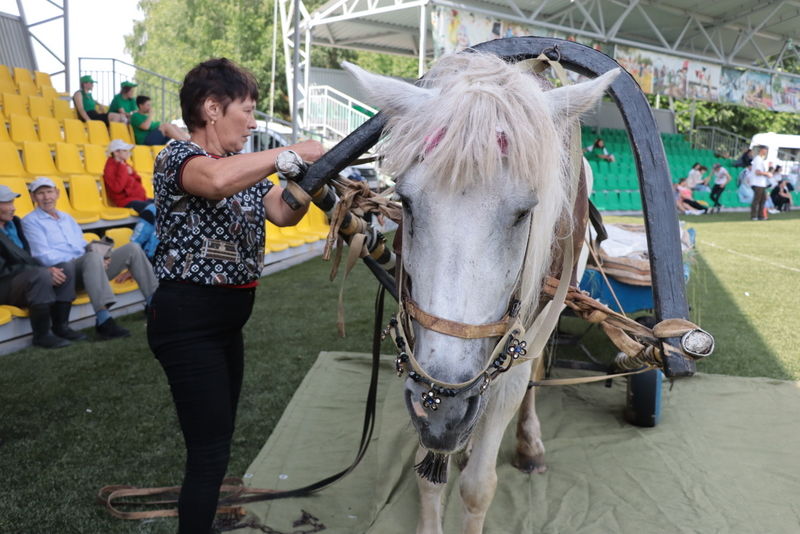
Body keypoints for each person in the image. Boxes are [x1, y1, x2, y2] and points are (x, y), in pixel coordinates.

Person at [146, 57, 324, 534]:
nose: (251, 121)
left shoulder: (239, 168)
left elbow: (282, 212)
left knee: (217, 443)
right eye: (245, 110)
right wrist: (289, 151)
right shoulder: (178, 157)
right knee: (207, 454)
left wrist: (316, 172)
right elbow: (217, 182)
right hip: (188, 323)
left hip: (225, 326)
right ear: (210, 109)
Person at [21, 177, 158, 339]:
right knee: (92, 257)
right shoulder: (30, 221)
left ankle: (154, 306)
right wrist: (91, 257)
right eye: (40, 193)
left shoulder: (67, 218)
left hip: (90, 267)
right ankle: (104, 320)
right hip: (66, 273)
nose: (46, 197)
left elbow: (82, 244)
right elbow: (42, 255)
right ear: (33, 197)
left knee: (133, 249)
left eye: (49, 192)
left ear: (57, 193)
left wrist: (103, 256)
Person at [0, 185, 85, 348]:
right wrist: (40, 270)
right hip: (5, 284)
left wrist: (47, 269)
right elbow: (3, 270)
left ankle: (61, 326)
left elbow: (27, 256)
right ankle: (42, 335)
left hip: (22, 278)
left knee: (64, 267)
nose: (13, 208)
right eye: (7, 203)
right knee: (41, 275)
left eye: (12, 202)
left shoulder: (15, 223)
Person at [103, 139, 154, 220]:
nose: (128, 153)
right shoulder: (110, 168)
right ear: (116, 152)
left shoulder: (124, 164)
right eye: (125, 150)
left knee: (165, 205)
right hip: (125, 201)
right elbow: (117, 188)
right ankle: (142, 232)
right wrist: (123, 170)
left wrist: (130, 173)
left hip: (139, 198)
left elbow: (137, 180)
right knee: (152, 210)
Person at [749, 145, 771, 221]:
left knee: (762, 200)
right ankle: (754, 216)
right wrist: (766, 173)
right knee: (757, 200)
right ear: (762, 150)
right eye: (765, 150)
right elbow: (757, 172)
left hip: (761, 183)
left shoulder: (760, 159)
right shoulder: (758, 159)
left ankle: (760, 216)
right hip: (757, 183)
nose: (766, 152)